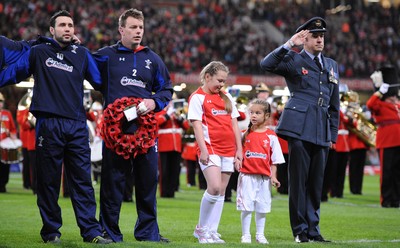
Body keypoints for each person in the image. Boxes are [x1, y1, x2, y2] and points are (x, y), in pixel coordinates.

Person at [0, 10, 111, 244]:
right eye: (62, 25)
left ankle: (91, 231)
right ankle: (51, 232)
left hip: (77, 124)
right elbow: (15, 71)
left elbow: (101, 81)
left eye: (70, 25)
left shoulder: (81, 54)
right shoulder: (38, 52)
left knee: (82, 181)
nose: (68, 28)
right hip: (48, 124)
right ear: (52, 30)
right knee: (48, 182)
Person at [95, 8, 173, 242]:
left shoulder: (152, 58)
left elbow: (166, 89)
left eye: (140, 27)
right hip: (115, 132)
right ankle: (109, 231)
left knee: (148, 181)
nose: (138, 31)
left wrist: (154, 101)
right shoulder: (105, 55)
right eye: (133, 27)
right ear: (121, 30)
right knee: (112, 183)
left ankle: (148, 232)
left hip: (145, 131)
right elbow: (83, 69)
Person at [260, 17, 340, 243]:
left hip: (321, 129)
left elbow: (334, 105)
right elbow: (266, 65)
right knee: (298, 182)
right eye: (314, 36)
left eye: (322, 36)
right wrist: (289, 44)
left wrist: (332, 134)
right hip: (299, 127)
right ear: (304, 38)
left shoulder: (332, 65)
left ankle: (313, 230)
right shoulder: (295, 60)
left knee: (316, 184)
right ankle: (300, 230)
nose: (319, 39)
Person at [188, 61, 243, 244]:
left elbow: (235, 125)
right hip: (210, 148)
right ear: (207, 76)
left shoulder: (226, 96)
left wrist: (239, 151)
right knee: (214, 188)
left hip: (228, 149)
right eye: (219, 80)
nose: (221, 84)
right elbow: (196, 126)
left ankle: (212, 230)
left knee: (222, 192)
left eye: (224, 81)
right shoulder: (197, 97)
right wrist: (203, 150)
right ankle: (201, 229)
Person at [236, 99, 285, 244]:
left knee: (262, 207)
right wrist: (237, 160)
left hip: (264, 178)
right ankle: (246, 235)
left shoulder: (271, 136)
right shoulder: (244, 134)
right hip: (246, 176)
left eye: (258, 113)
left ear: (267, 115)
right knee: (246, 206)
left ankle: (260, 234)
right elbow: (238, 153)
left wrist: (273, 176)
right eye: (251, 112)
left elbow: (274, 160)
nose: (254, 116)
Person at [367, 65, 400, 208]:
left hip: (398, 141)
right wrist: (379, 92)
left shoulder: (397, 105)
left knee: (397, 173)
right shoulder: (379, 104)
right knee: (386, 173)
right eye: (392, 95)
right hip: (386, 141)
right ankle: (386, 199)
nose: (394, 97)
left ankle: (396, 199)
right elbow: (370, 104)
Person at [156, 101, 189, 198]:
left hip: (176, 146)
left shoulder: (177, 113)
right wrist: (167, 114)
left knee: (174, 170)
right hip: (164, 145)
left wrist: (178, 117)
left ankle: (171, 192)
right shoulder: (160, 112)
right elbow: (158, 122)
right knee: (164, 170)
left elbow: (186, 126)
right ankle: (164, 192)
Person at [16, 90, 37, 194]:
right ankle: (30, 185)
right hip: (30, 142)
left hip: (41, 141)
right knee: (29, 165)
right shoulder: (24, 111)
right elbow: (23, 124)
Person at [0, 92, 18, 193]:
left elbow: (13, 129)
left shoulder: (7, 114)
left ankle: (3, 185)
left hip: (5, 144)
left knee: (5, 166)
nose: (0, 104)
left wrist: (12, 135)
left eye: (1, 101)